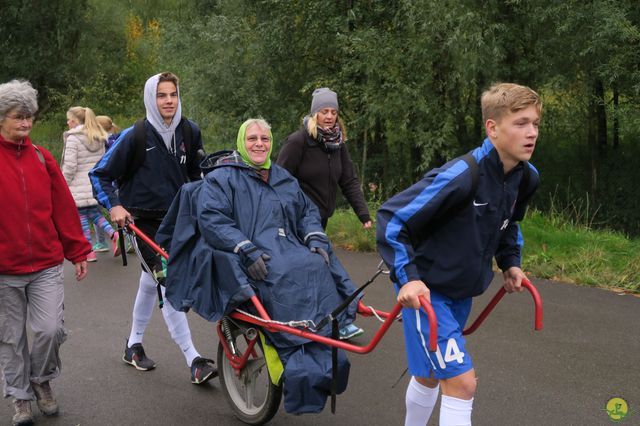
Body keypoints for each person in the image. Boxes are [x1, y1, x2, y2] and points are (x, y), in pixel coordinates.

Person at [163, 118, 359, 414]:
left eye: (265, 139)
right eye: (252, 138)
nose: (259, 144)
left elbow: (306, 212)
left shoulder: (282, 178)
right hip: (255, 250)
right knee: (283, 273)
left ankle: (325, 335)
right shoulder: (223, 177)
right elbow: (213, 219)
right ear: (242, 141)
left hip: (287, 247)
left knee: (316, 263)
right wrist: (244, 247)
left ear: (271, 143)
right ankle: (294, 352)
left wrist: (315, 236)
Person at [376, 82, 541, 426]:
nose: (531, 133)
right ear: (492, 128)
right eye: (521, 123)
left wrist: (510, 263)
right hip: (426, 291)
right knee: (463, 382)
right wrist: (408, 280)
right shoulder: (463, 175)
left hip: (461, 291)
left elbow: (509, 224)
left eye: (535, 124)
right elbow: (392, 218)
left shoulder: (526, 178)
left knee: (431, 375)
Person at [89, 72, 216, 384]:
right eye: (162, 95)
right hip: (142, 221)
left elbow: (197, 175)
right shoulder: (136, 136)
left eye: (173, 94)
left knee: (150, 281)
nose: (169, 101)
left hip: (179, 220)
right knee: (167, 279)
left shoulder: (190, 131)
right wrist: (115, 205)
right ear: (151, 98)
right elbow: (99, 174)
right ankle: (194, 360)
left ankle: (133, 345)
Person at [0, 80, 90, 426]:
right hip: (5, 269)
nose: (25, 124)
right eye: (18, 117)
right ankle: (20, 398)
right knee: (10, 339)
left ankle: (41, 378)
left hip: (45, 264)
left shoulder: (42, 157)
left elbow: (63, 208)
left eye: (30, 118)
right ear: (3, 118)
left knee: (50, 329)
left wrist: (78, 250)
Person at [277, 87, 371, 340]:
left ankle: (321, 319)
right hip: (300, 221)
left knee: (313, 269)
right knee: (322, 266)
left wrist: (364, 214)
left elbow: (349, 180)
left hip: (322, 219)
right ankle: (340, 320)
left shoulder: (337, 144)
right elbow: (279, 179)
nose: (329, 116)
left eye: (333, 112)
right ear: (314, 114)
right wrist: (289, 213)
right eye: (323, 111)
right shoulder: (299, 142)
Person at [61, 107, 119, 261]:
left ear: (74, 121)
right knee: (95, 214)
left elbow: (70, 166)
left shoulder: (73, 138)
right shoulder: (97, 136)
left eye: (68, 119)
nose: (67, 122)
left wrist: (63, 184)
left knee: (81, 220)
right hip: (93, 185)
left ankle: (89, 252)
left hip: (77, 187)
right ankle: (114, 234)